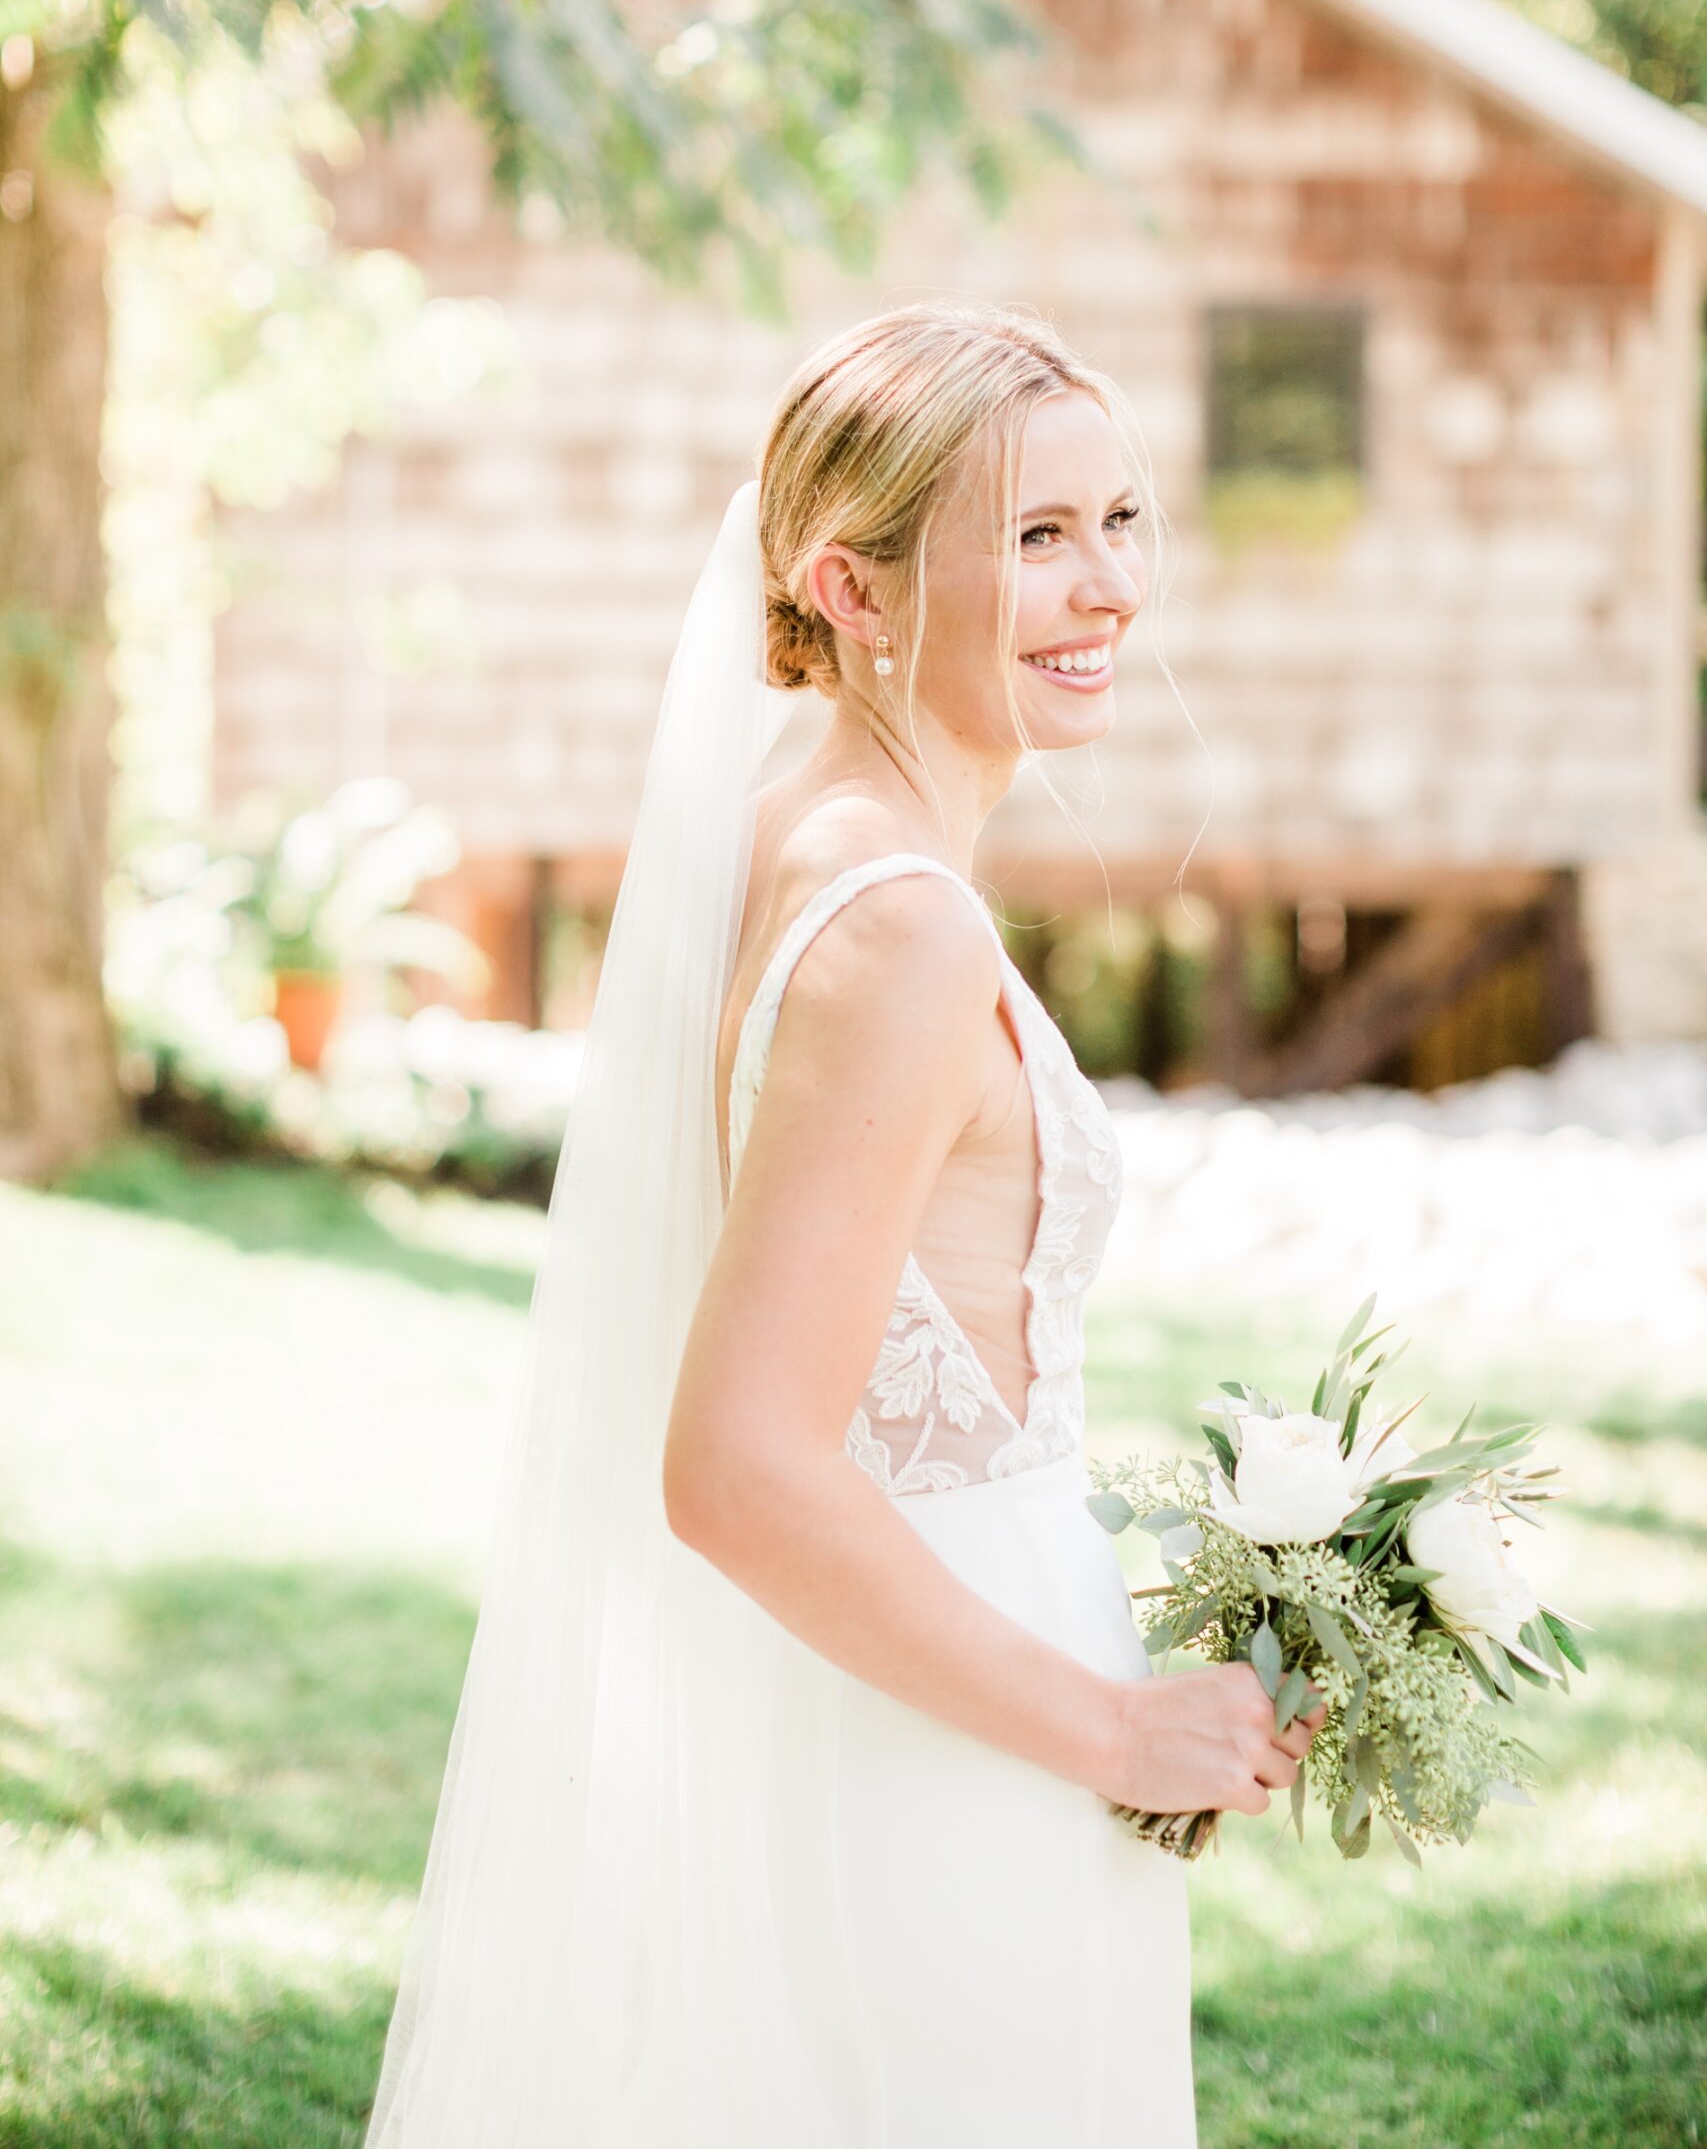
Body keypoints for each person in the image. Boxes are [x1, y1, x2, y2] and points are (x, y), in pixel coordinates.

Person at [361, 303, 1323, 2149]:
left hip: (882, 1687)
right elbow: (735, 1466)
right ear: (855, 594)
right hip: (954, 1734)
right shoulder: (900, 928)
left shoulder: (785, 827)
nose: (1108, 587)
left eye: (1124, 523)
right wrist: (1113, 1731)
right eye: (1037, 537)